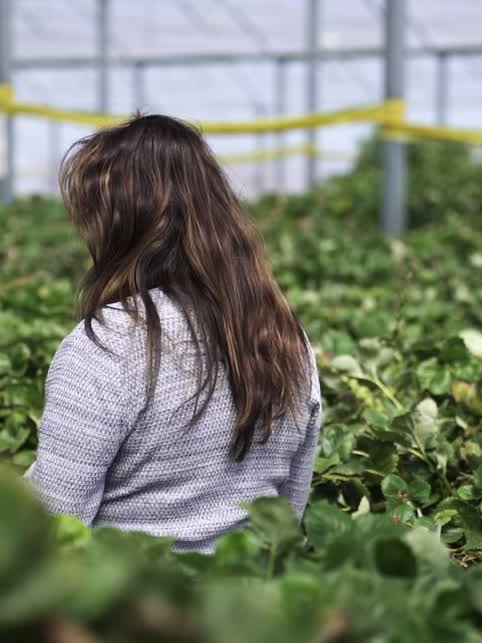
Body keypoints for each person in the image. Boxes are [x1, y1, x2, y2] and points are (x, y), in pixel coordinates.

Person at [24, 114, 322, 554]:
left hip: (132, 593)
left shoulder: (106, 345)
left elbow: (55, 528)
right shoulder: (285, 338)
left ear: (121, 224)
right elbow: (288, 512)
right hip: (255, 589)